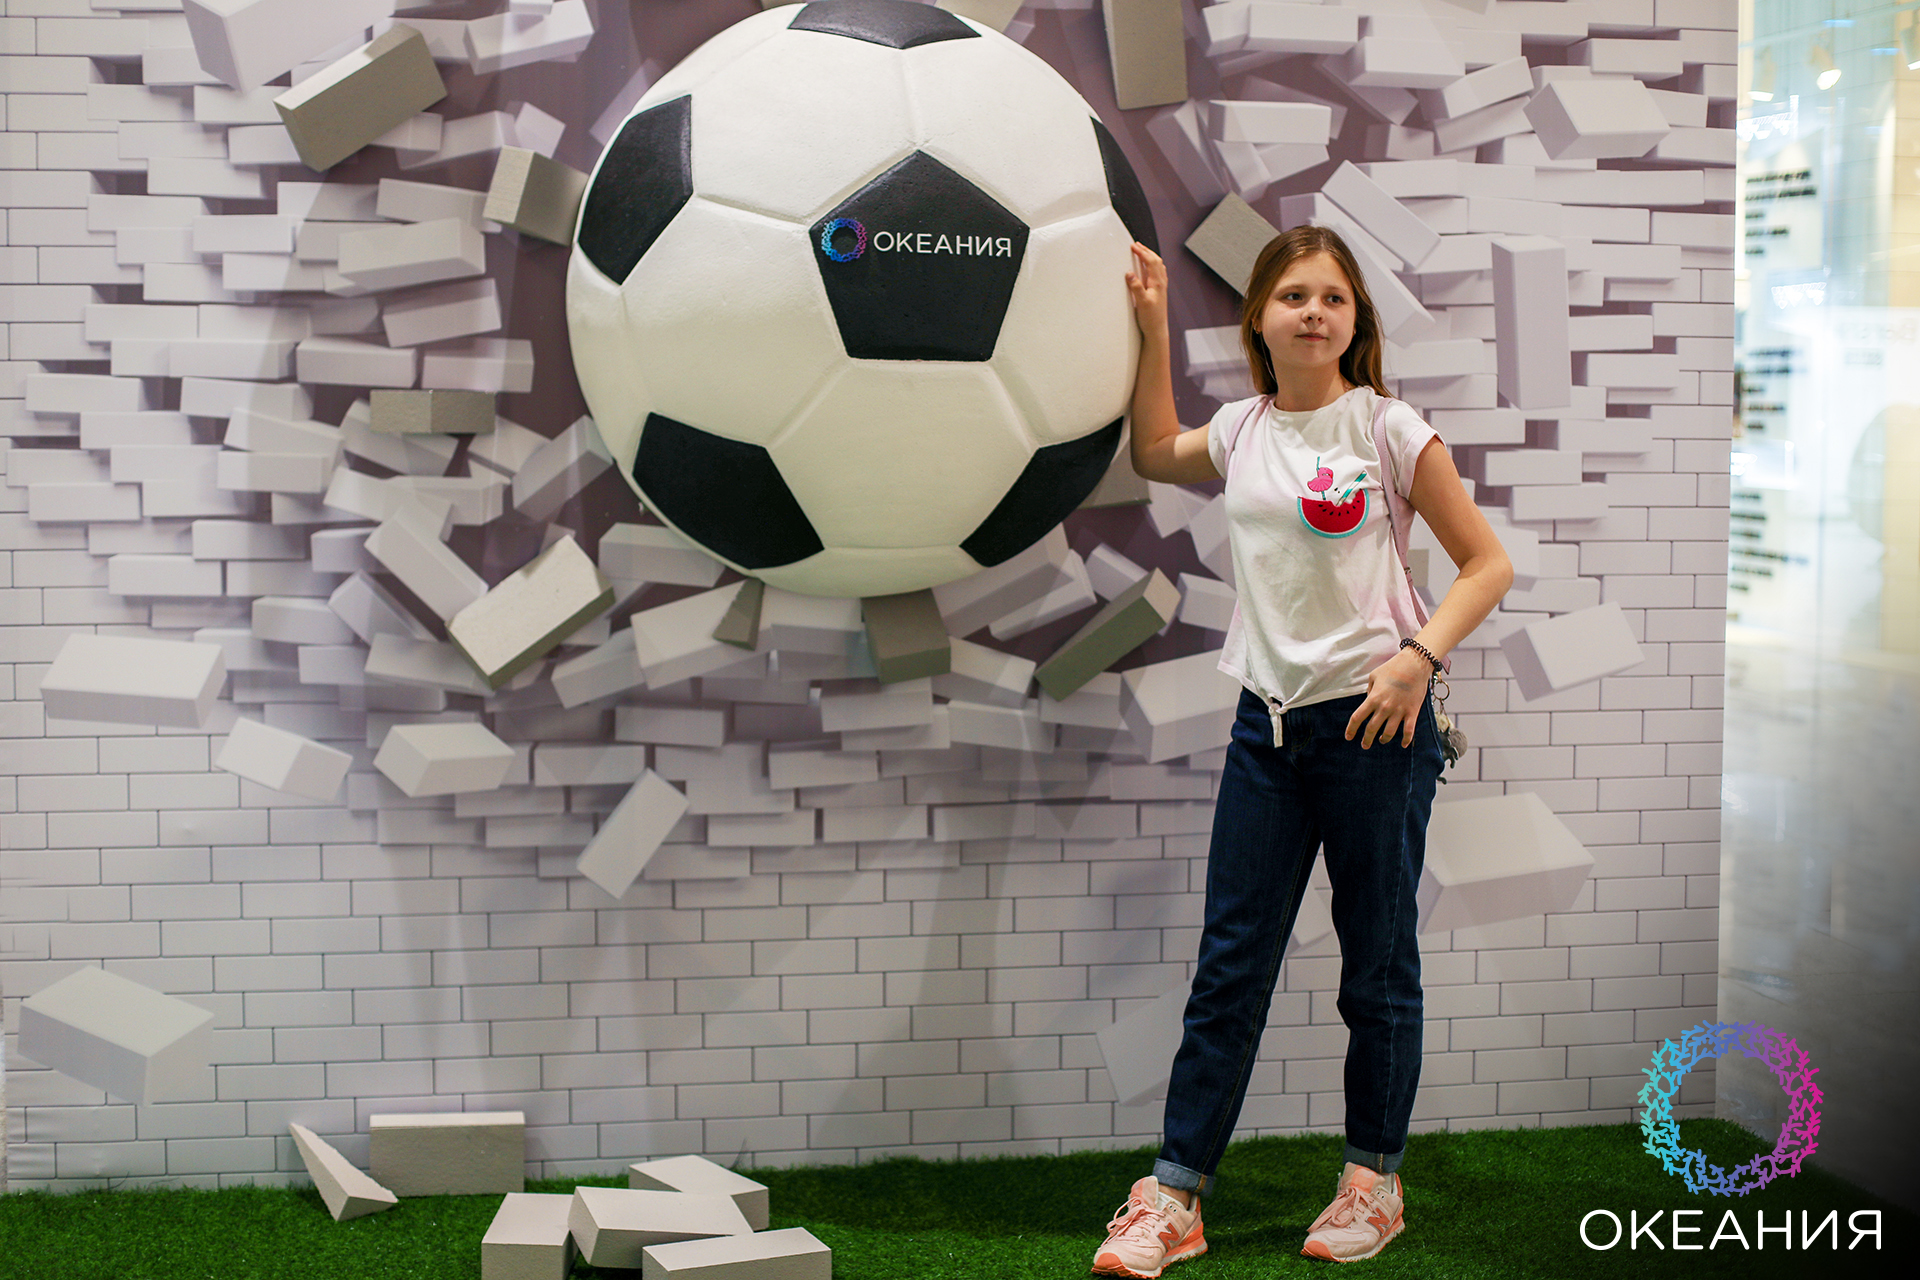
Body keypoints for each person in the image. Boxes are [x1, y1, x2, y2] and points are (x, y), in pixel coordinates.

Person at [1090, 227, 1513, 1274]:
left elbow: (1486, 564)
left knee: (1376, 967)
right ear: (1261, 319)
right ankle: (1175, 1197)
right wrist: (1152, 322)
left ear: (1355, 320)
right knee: (1229, 969)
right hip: (1267, 728)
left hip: (1377, 728)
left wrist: (1417, 657)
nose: (1313, 312)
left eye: (1332, 297)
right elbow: (1153, 450)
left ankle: (1374, 1183)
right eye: (1293, 295)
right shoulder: (1242, 429)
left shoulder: (1389, 428)